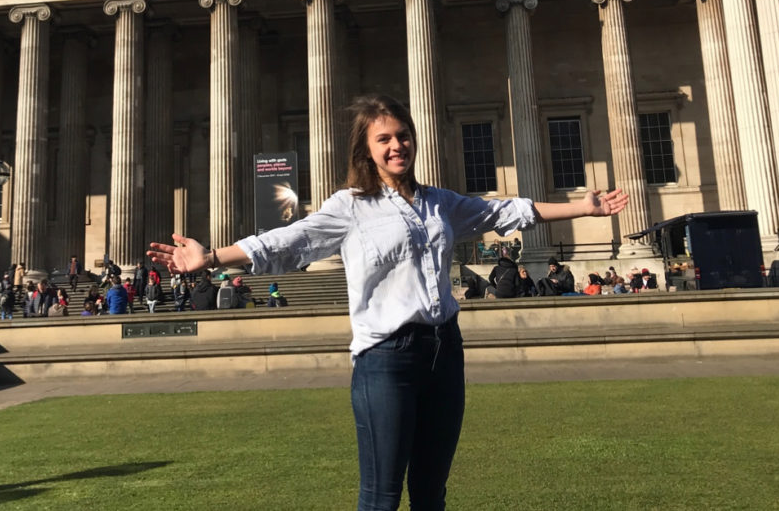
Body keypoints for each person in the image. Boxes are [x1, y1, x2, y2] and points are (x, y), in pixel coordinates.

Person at [148, 93, 627, 510]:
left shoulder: (441, 203)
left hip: (444, 351)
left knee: (430, 493)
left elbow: (505, 211)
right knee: (380, 497)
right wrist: (211, 257)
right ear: (368, 149)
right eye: (385, 139)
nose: (397, 145)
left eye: (403, 135)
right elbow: (289, 240)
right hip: (386, 359)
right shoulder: (350, 206)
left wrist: (584, 207)